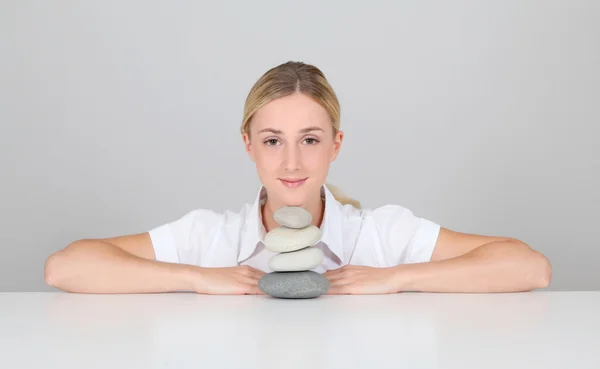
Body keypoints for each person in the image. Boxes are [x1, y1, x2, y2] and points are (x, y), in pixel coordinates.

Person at [44, 61, 552, 295]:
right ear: (248, 144)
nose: (291, 163)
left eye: (309, 139)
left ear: (336, 145)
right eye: (272, 140)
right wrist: (197, 277)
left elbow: (528, 267)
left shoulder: (380, 233)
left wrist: (397, 278)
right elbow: (66, 267)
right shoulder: (209, 237)